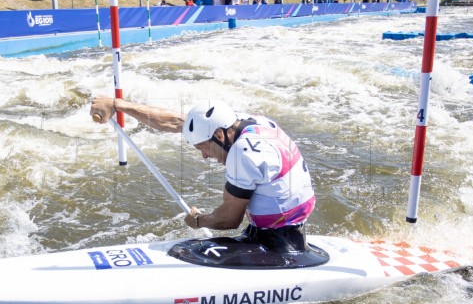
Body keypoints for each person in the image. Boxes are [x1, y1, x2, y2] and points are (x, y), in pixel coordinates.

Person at [89, 97, 315, 252]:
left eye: (203, 148)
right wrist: (118, 105)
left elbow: (229, 220)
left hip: (276, 244)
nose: (205, 156)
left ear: (218, 134)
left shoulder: (243, 153)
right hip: (290, 228)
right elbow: (176, 121)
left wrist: (199, 220)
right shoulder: (247, 123)